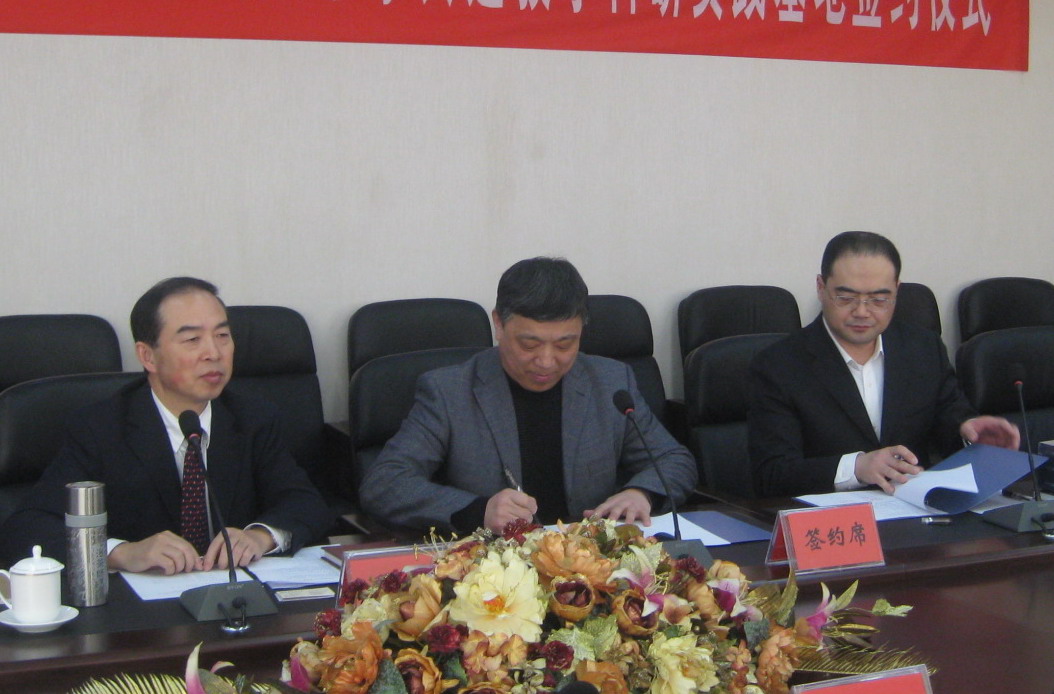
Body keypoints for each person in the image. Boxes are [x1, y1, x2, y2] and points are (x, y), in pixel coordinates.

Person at [0, 278, 333, 574]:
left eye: (222, 336)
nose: (214, 353)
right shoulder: (100, 428)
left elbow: (306, 504)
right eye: (192, 340)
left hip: (233, 598)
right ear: (148, 356)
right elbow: (27, 528)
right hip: (141, 613)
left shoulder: (253, 418)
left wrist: (259, 537)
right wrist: (122, 553)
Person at [359, 257, 697, 534]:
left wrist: (642, 493)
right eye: (529, 344)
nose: (547, 361)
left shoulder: (610, 381)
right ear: (498, 324)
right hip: (493, 572)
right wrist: (478, 510)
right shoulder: (450, 392)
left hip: (589, 565)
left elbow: (673, 460)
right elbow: (385, 484)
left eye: (565, 344)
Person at [749, 231, 1020, 498]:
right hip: (828, 516)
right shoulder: (778, 366)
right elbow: (772, 475)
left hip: (916, 512)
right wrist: (857, 468)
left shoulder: (923, 349)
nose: (862, 311)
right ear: (821, 287)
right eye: (846, 298)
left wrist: (970, 435)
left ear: (896, 291)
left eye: (879, 299)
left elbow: (949, 421)